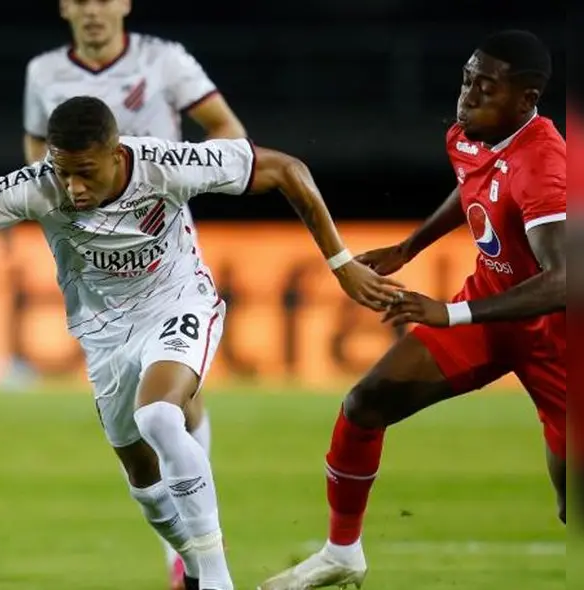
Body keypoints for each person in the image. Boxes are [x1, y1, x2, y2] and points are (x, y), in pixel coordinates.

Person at [0, 96, 401, 590]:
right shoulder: (39, 186)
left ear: (116, 153)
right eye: (63, 172)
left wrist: (341, 264)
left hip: (179, 304)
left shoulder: (166, 165)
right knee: (144, 484)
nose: (73, 187)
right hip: (104, 338)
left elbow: (287, 170)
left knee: (160, 416)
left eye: (85, 172)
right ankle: (191, 564)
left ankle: (215, 580)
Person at [258, 30, 566, 590]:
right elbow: (473, 187)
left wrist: (451, 316)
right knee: (365, 401)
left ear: (527, 99)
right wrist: (412, 245)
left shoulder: (545, 166)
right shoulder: (470, 134)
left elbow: (567, 280)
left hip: (559, 342)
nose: (468, 95)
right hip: (489, 310)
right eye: (468, 78)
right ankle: (341, 551)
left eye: (487, 86)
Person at [23, 4, 245, 583]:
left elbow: (227, 129)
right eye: (81, 0)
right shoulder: (43, 72)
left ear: (123, 3)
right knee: (149, 412)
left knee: (169, 407)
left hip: (161, 236)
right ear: (65, 7)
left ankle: (197, 552)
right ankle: (190, 530)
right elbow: (33, 159)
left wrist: (194, 178)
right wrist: (62, 215)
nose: (94, 11)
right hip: (92, 248)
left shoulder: (164, 59)